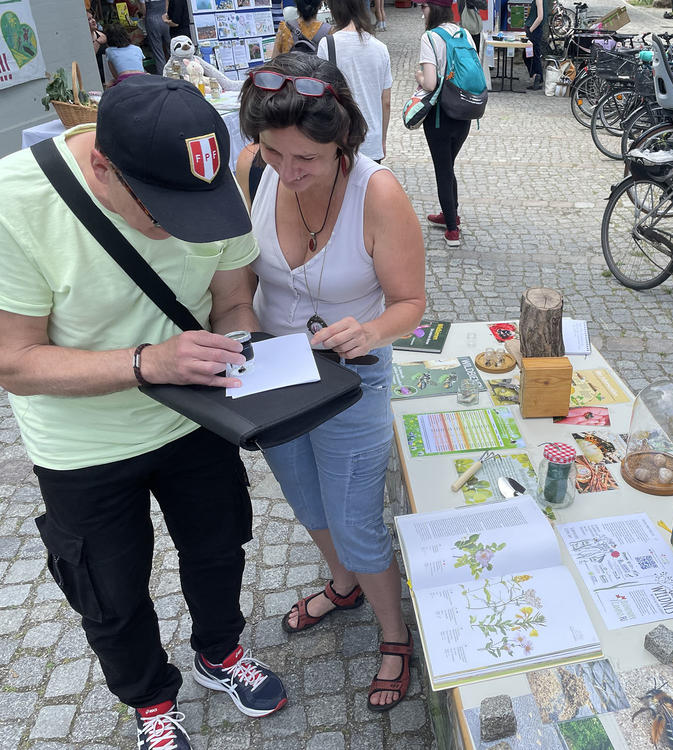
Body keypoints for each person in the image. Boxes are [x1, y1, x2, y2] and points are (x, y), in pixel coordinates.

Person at [0, 76, 288, 750]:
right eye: (161, 210)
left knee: (219, 549)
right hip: (82, 443)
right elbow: (13, 360)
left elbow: (233, 301)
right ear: (103, 164)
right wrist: (146, 363)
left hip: (194, 418)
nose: (178, 227)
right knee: (111, 588)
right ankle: (150, 700)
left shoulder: (207, 184)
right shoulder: (16, 202)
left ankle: (219, 653)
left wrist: (240, 347)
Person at [235, 53, 426, 712]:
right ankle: (343, 585)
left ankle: (395, 634)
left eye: (307, 160)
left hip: (351, 378)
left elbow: (410, 304)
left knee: (355, 519)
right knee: (308, 503)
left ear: (342, 141)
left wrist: (370, 332)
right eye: (273, 152)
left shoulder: (379, 193)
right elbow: (239, 277)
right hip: (274, 378)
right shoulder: (251, 171)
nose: (288, 173)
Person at [415, 0, 476, 248]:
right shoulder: (465, 34)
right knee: (448, 165)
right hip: (464, 112)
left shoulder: (430, 37)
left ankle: (452, 230)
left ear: (433, 8)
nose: (421, 12)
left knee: (442, 169)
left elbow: (429, 83)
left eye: (423, 7)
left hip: (440, 115)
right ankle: (450, 212)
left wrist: (417, 75)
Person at [317, 0, 392, 162]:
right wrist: (382, 140)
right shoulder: (380, 48)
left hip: (339, 139)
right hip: (371, 139)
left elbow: (321, 96)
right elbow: (386, 102)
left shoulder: (327, 44)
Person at [139, 0, 170, 73]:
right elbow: (167, 3)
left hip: (152, 19)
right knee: (171, 48)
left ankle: (163, 75)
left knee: (157, 51)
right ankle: (175, 72)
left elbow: (143, 10)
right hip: (165, 18)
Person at [524, 0, 546, 90]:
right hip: (534, 30)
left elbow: (540, 17)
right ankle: (537, 77)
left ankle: (537, 76)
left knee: (532, 55)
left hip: (534, 30)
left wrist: (531, 30)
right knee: (529, 54)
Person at [88, 11, 109, 87]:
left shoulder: (101, 34)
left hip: (106, 74)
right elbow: (89, 58)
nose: (93, 20)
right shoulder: (86, 40)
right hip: (94, 75)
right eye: (89, 19)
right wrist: (97, 42)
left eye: (92, 17)